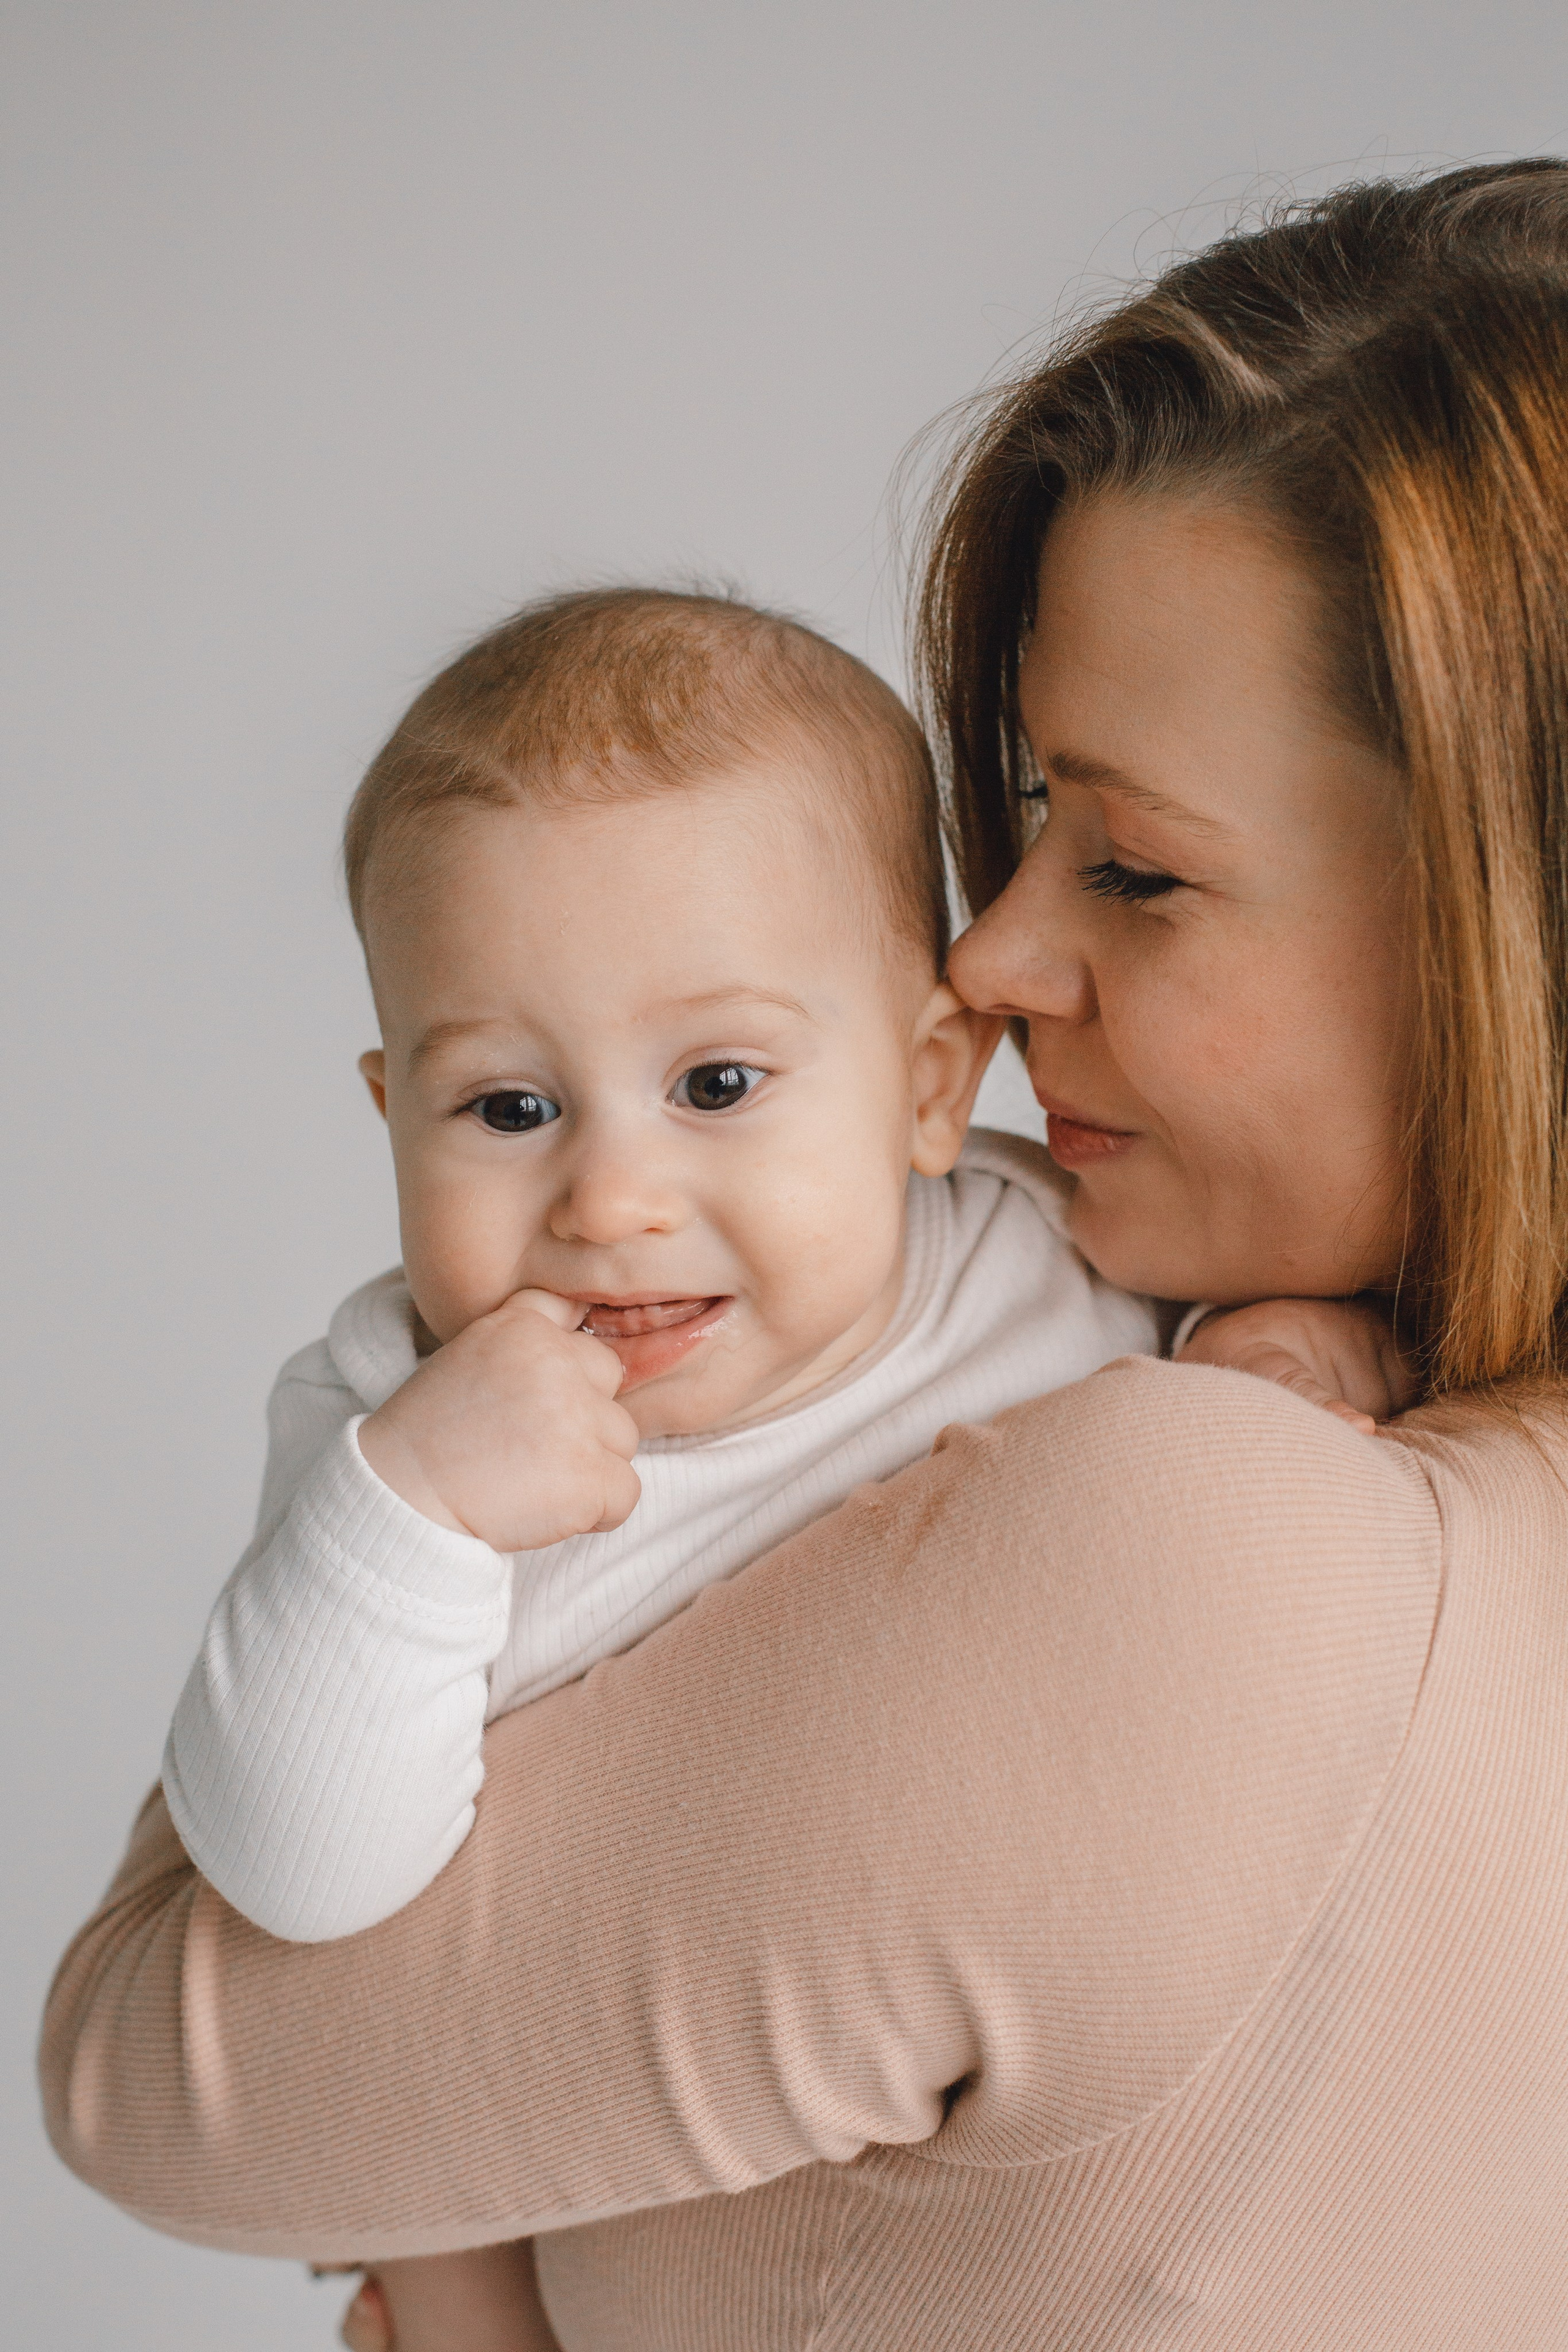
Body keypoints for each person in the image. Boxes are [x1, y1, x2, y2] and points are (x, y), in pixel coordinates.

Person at [42, 159, 1568, 2352]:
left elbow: (136, 2072)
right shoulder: (1323, 1421)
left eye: (1135, 866)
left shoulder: (1207, 1543)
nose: (996, 948)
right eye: (1029, 815)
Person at [159, 582, 1384, 2338]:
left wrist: (1292, 1349)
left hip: (984, 2164)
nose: (609, 1198)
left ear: (929, 1088)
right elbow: (296, 1877)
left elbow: (1217, 1472)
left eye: (717, 1082)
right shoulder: (397, 1415)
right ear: (389, 1114)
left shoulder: (1037, 1272)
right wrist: (407, 1518)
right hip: (566, 2183)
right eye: (508, 1108)